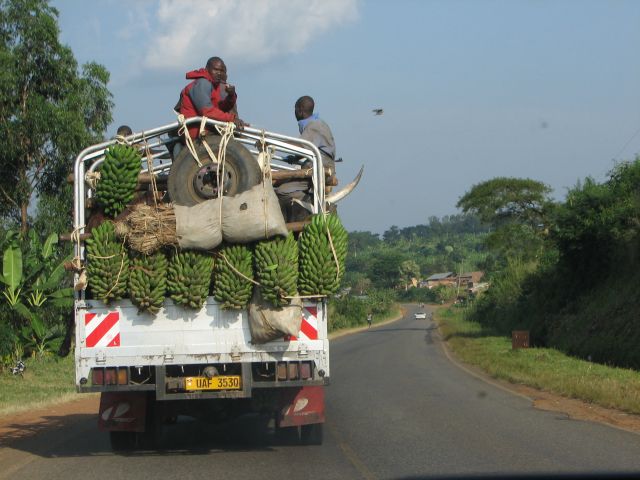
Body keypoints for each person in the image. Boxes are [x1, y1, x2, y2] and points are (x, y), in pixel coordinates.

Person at [276, 95, 337, 221]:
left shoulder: (314, 125)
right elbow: (307, 147)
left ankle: (309, 203)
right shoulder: (316, 123)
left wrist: (273, 143)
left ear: (300, 110)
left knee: (282, 191)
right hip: (315, 164)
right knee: (282, 183)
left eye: (295, 110)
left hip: (319, 167)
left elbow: (301, 145)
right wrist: (294, 158)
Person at [176, 56, 246, 139]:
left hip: (209, 127)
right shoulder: (202, 83)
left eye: (221, 71)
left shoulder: (214, 85)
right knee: (235, 136)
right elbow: (207, 111)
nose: (219, 73)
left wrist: (231, 95)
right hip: (197, 131)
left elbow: (220, 109)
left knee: (240, 133)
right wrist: (232, 119)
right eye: (216, 70)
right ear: (207, 69)